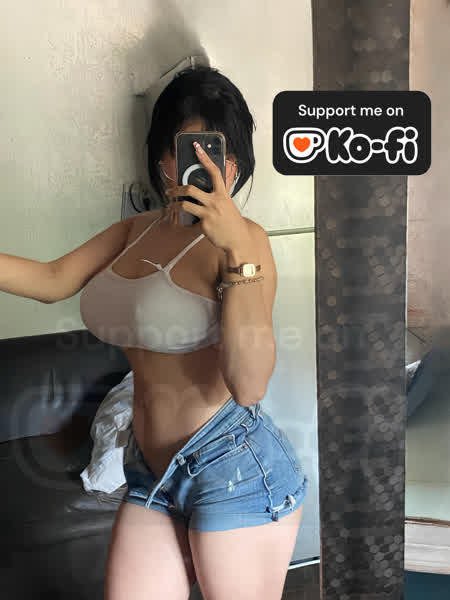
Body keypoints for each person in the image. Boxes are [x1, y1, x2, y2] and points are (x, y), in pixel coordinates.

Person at [4, 65, 308, 599]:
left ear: (238, 163)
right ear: (163, 158)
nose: (208, 167)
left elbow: (249, 385)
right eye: (191, 149)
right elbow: (52, 280)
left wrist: (236, 250)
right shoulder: (134, 231)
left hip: (231, 464)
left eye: (222, 152)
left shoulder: (248, 240)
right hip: (151, 469)